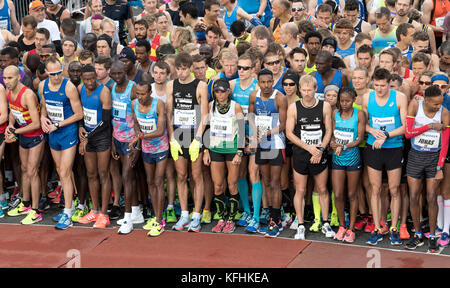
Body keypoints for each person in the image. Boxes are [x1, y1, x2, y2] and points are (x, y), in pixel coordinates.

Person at [362, 68, 408, 246]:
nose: (379, 89)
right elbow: (363, 123)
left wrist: (386, 136)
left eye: (383, 85)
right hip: (374, 147)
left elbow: (405, 127)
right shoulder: (367, 97)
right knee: (375, 189)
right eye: (376, 85)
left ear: (390, 83)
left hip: (393, 147)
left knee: (394, 189)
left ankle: (394, 228)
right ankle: (377, 228)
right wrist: (370, 130)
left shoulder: (399, 98)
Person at [286, 74, 334, 240]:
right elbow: (289, 133)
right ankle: (300, 224)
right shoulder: (294, 107)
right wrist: (309, 148)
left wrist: (320, 149)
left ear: (315, 89)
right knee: (300, 189)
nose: (306, 93)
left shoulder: (324, 106)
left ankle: (325, 222)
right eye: (303, 90)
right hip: (301, 154)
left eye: (309, 90)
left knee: (322, 189)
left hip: (319, 153)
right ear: (300, 90)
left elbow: (328, 130)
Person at [404, 84, 450, 252]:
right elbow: (408, 133)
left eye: (440, 103)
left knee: (431, 197)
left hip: (434, 158)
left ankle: (432, 235)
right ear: (427, 100)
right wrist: (430, 126)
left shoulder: (444, 113)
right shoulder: (415, 105)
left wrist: (440, 166)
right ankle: (417, 234)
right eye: (435, 104)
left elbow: (444, 144)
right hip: (416, 156)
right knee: (414, 196)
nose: (439, 106)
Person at [166, 52, 208, 232]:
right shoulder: (171, 85)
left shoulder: (201, 86)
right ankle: (184, 213)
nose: (181, 73)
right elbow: (169, 113)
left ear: (190, 68)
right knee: (181, 176)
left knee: (197, 176)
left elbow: (204, 114)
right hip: (178, 134)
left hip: (195, 135)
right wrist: (171, 138)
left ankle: (197, 215)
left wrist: (198, 139)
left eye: (184, 69)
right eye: (178, 69)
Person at [38, 56, 83, 229]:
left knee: (64, 171)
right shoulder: (43, 86)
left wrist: (59, 124)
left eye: (59, 73)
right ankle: (69, 207)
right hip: (53, 133)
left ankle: (68, 213)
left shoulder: (69, 87)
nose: (56, 77)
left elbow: (79, 114)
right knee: (60, 170)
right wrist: (43, 118)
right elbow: (44, 106)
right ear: (47, 73)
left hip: (67, 131)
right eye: (52, 74)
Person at [248, 69, 287, 237]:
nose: (266, 85)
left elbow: (284, 125)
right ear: (258, 82)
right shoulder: (253, 96)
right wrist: (253, 132)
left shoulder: (279, 97)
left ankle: (276, 219)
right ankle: (272, 214)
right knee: (266, 180)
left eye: (269, 82)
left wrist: (267, 133)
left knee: (275, 182)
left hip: (276, 143)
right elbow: (250, 116)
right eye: (263, 82)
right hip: (262, 143)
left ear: (273, 81)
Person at [5, 66, 45, 225]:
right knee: (23, 169)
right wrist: (9, 124)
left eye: (10, 78)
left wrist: (15, 131)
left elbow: (36, 123)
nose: (7, 82)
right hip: (23, 135)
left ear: (18, 77)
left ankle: (36, 211)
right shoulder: (9, 92)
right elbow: (12, 112)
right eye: (5, 78)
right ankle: (26, 204)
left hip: (35, 136)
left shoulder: (28, 95)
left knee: (32, 171)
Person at [204, 78, 244, 233]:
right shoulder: (210, 105)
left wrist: (239, 152)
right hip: (215, 150)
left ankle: (232, 218)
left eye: (223, 91)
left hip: (232, 150)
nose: (220, 94)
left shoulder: (236, 107)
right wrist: (206, 151)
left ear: (228, 92)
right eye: (217, 91)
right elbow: (207, 127)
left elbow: (241, 130)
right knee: (218, 185)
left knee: (232, 184)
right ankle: (221, 217)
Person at [107, 61, 143, 234]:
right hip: (118, 137)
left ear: (125, 72)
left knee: (127, 176)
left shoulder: (133, 88)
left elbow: (138, 117)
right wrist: (114, 141)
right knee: (129, 176)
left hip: (131, 139)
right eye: (113, 74)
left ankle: (128, 217)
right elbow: (115, 117)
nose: (116, 77)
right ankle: (136, 212)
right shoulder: (113, 88)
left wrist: (138, 142)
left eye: (119, 73)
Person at [129, 81, 169, 236]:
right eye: (138, 94)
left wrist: (140, 136)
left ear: (150, 93)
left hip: (160, 147)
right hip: (146, 148)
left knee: (159, 182)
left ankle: (160, 221)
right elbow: (136, 124)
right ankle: (155, 216)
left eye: (143, 94)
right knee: (150, 182)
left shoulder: (159, 105)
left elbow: (160, 131)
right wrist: (138, 137)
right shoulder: (134, 104)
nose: (140, 97)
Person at [77, 64, 112, 228]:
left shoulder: (104, 91)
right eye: (86, 79)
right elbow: (80, 112)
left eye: (92, 78)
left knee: (103, 173)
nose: (90, 82)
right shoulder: (80, 89)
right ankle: (95, 210)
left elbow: (105, 121)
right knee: (91, 174)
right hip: (88, 136)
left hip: (102, 138)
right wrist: (80, 127)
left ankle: (104, 214)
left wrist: (87, 138)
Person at [230, 53, 263, 232]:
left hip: (253, 136)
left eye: (245, 68)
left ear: (253, 69)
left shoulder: (257, 87)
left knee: (253, 173)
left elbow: (260, 114)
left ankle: (256, 216)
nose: (241, 71)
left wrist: (256, 138)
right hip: (237, 137)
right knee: (240, 174)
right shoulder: (232, 85)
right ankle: (247, 211)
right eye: (239, 67)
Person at [330, 87, 365, 243]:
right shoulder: (335, 114)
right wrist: (332, 144)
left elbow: (359, 138)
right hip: (337, 159)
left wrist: (343, 146)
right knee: (338, 194)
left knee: (352, 194)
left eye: (347, 101)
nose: (344, 104)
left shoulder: (359, 114)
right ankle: (342, 226)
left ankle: (351, 229)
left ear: (353, 100)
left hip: (352, 158)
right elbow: (331, 135)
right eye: (341, 101)